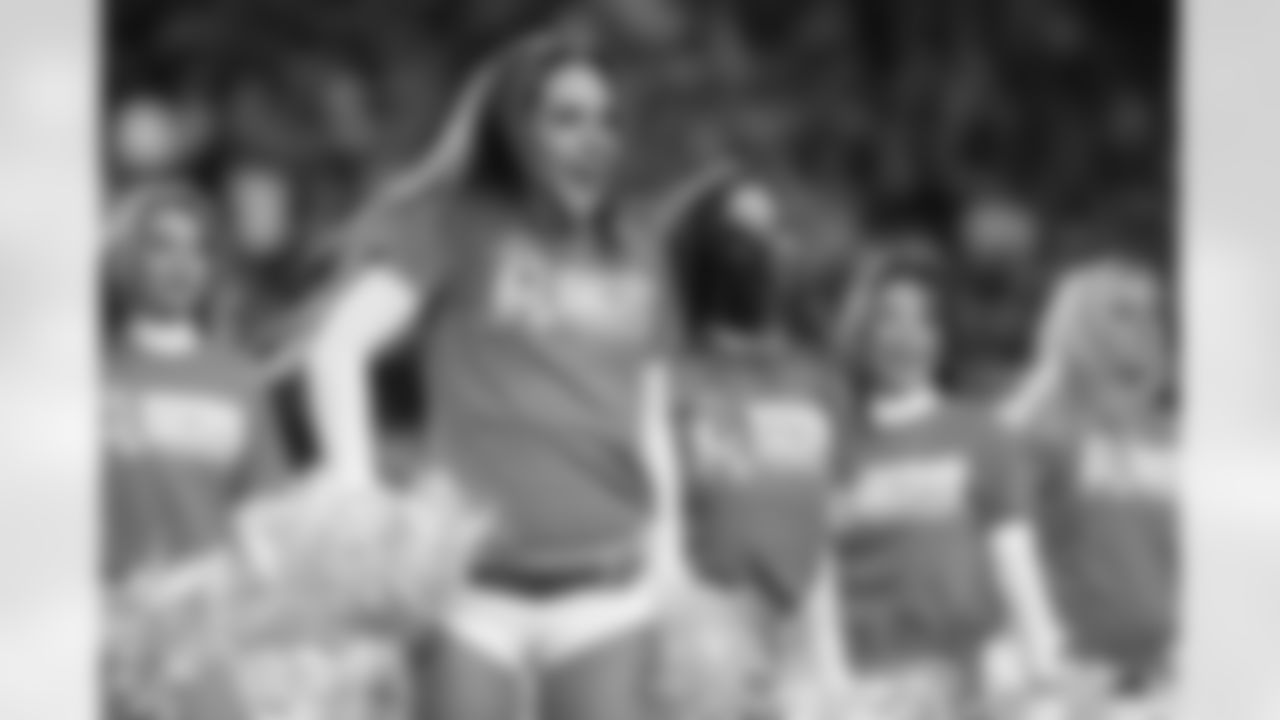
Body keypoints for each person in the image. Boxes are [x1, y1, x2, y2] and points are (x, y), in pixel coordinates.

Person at [304, 30, 680, 720]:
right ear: (514, 128)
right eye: (565, 119)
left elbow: (651, 419)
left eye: (608, 121)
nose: (593, 139)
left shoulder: (640, 250)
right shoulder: (455, 222)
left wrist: (670, 562)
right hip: (468, 597)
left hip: (608, 592)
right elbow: (337, 348)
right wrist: (357, 502)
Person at [816, 250, 1062, 720]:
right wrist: (833, 691)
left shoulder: (982, 436)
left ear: (943, 337)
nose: (907, 337)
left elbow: (1020, 577)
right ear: (861, 330)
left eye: (925, 321)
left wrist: (1046, 690)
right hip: (867, 693)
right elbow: (816, 586)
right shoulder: (826, 445)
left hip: (972, 688)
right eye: (889, 318)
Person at [658, 174, 851, 720]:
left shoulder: (818, 378)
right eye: (740, 236)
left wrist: (833, 662)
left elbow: (823, 523)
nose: (762, 251)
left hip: (801, 629)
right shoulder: (667, 377)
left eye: (773, 232)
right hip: (704, 629)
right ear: (703, 253)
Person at [1002, 257, 1178, 720]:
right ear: (1080, 324)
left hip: (1167, 673)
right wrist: (1039, 662)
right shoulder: (1036, 427)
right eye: (1123, 312)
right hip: (1075, 676)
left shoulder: (1168, 434)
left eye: (1151, 312)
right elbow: (1001, 552)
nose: (1146, 325)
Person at [103, 189, 288, 585]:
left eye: (198, 249)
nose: (182, 264)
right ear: (127, 258)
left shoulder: (240, 380)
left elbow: (261, 514)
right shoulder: (89, 376)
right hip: (109, 607)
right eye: (161, 246)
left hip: (214, 606)